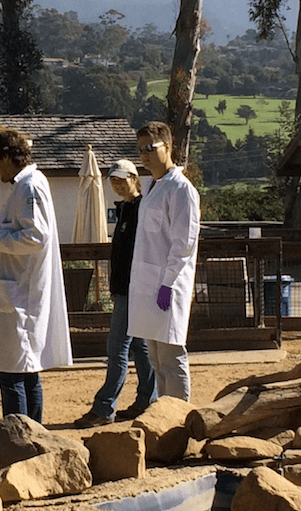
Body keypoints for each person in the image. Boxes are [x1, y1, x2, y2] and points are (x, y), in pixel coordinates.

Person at [0, 129, 72, 423]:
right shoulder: (25, 185)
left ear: (7, 157)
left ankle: (18, 435)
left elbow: (35, 236)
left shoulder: (29, 187)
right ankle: (33, 432)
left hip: (20, 292)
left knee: (11, 373)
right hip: (18, 287)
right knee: (26, 372)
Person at [73, 159, 158, 428]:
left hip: (134, 289)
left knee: (118, 348)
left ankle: (104, 407)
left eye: (122, 179)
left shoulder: (140, 209)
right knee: (140, 348)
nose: (117, 184)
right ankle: (147, 400)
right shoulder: (125, 210)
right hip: (126, 289)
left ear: (134, 178)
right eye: (113, 180)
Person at [127, 122, 200, 401]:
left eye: (151, 148)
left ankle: (179, 416)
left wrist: (168, 283)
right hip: (147, 283)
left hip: (168, 285)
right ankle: (163, 412)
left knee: (171, 355)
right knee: (155, 358)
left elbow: (184, 243)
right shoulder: (150, 187)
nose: (144, 155)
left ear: (167, 147)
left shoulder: (181, 189)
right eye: (140, 149)